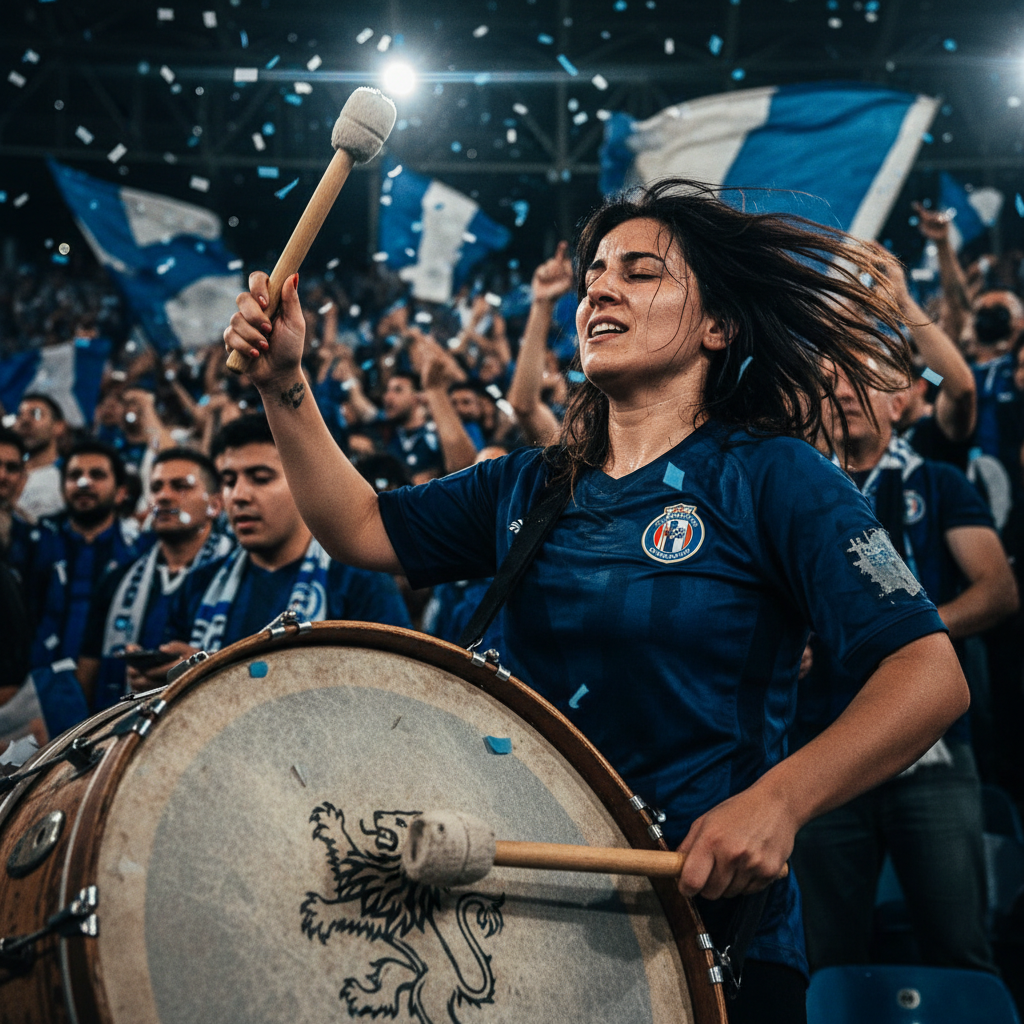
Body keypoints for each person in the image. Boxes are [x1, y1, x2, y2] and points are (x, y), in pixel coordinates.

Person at [225, 179, 970, 1024]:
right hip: (522, 929)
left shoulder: (775, 475)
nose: (600, 290)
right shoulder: (530, 485)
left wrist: (779, 802)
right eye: (594, 277)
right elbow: (361, 528)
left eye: (640, 272)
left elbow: (930, 676)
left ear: (719, 327)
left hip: (705, 937)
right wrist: (283, 382)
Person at [791, 357, 1018, 974]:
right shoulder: (797, 492)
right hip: (823, 750)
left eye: (859, 378)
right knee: (824, 958)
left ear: (901, 402)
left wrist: (904, 637)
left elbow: (998, 591)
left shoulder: (938, 481)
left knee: (959, 949)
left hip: (932, 753)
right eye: (829, 380)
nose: (841, 390)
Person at [147, 415, 410, 679]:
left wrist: (216, 674)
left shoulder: (359, 582)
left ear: (307, 485)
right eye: (229, 481)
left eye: (261, 478)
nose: (238, 495)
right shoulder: (198, 585)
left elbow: (391, 685)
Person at [76, 447, 233, 711]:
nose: (164, 496)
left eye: (181, 486)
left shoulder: (240, 577)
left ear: (215, 505)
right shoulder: (117, 579)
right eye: (156, 487)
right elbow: (87, 673)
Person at [28, 440, 148, 670]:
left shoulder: (138, 555)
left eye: (97, 475)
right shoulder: (34, 543)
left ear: (121, 493)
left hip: (110, 679)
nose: (84, 483)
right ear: (63, 488)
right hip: (34, 678)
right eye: (74, 476)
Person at [14, 393, 67, 521]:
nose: (25, 421)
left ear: (58, 427)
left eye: (36, 414)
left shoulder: (69, 474)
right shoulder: (6, 474)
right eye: (19, 415)